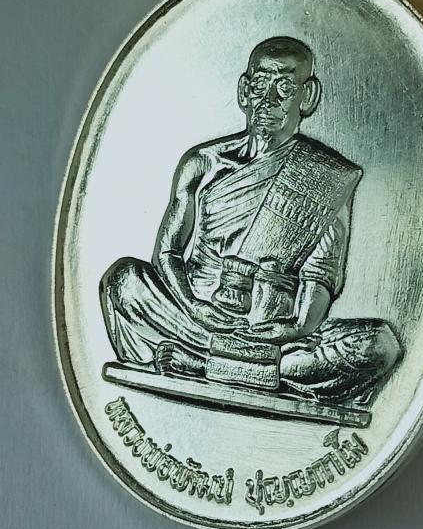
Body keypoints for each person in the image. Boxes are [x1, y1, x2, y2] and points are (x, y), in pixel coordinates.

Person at [100, 37, 402, 403]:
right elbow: (168, 253)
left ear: (307, 97)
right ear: (244, 91)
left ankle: (199, 365)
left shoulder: (327, 176)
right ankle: (248, 371)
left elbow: (320, 275)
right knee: (123, 281)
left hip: (272, 336)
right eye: (260, 85)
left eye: (284, 87)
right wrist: (194, 305)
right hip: (196, 321)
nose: (268, 100)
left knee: (379, 344)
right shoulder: (204, 164)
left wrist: (295, 328)